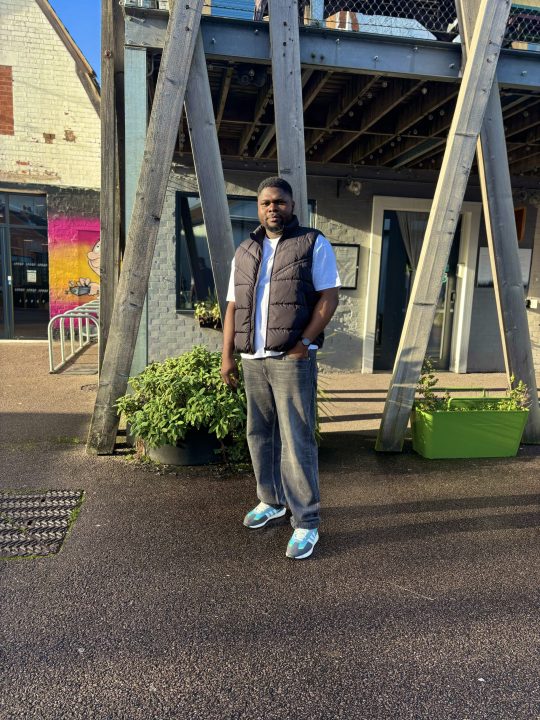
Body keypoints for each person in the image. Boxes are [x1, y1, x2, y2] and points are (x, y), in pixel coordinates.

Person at [221, 177, 340, 560]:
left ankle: (306, 521)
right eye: (266, 203)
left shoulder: (312, 242)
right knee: (259, 434)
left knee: (296, 439)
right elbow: (233, 305)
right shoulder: (245, 250)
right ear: (259, 208)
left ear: (292, 205)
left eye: (280, 202)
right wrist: (227, 355)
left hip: (291, 357)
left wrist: (303, 344)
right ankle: (271, 501)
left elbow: (329, 296)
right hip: (252, 359)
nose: (273, 208)